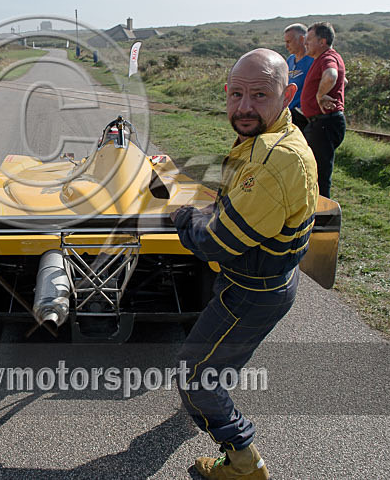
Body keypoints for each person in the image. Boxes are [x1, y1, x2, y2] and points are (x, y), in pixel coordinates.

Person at [170, 49, 318, 479]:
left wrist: (185, 216)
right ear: (226, 93)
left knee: (193, 375)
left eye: (259, 94)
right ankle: (213, 401)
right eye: (236, 94)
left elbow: (216, 243)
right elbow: (239, 192)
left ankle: (243, 459)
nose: (244, 107)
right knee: (218, 363)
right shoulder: (271, 139)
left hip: (251, 290)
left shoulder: (275, 161)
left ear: (288, 94)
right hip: (266, 281)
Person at [300, 22, 346, 198]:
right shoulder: (323, 58)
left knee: (319, 175)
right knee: (314, 170)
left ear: (323, 41)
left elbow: (332, 75)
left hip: (324, 123)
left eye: (309, 40)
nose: (306, 44)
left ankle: (322, 216)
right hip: (320, 123)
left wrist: (320, 94)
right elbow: (343, 80)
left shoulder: (328, 57)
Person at [283, 23, 313, 131]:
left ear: (301, 39)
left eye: (289, 42)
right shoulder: (290, 60)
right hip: (289, 114)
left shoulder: (313, 60)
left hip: (304, 116)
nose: (286, 46)